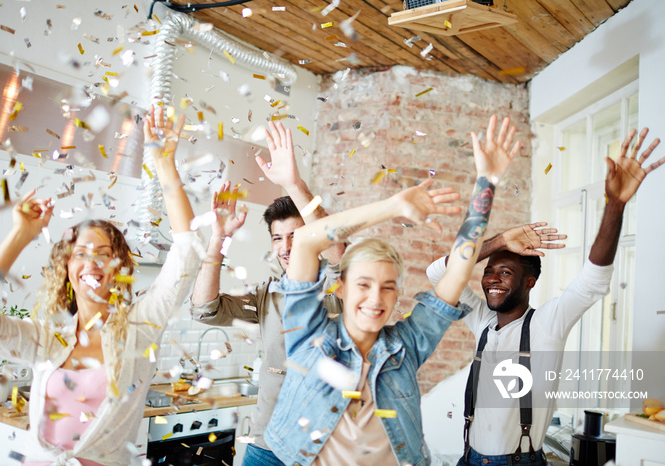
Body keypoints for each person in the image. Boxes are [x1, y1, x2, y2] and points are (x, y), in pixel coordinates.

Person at [264, 115, 520, 466]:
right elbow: (308, 240)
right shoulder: (306, 333)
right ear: (340, 288)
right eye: (364, 285)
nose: (375, 298)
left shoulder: (407, 345)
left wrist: (487, 182)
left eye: (387, 287)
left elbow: (458, 272)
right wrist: (394, 207)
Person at [0, 106, 202, 466]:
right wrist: (20, 235)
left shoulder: (140, 329)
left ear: (119, 267)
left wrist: (165, 165)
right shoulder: (47, 339)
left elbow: (186, 254)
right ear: (67, 267)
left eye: (104, 253)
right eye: (81, 254)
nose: (92, 262)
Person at [425, 128, 663, 465]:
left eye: (505, 272)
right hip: (469, 458)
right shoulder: (481, 320)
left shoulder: (548, 324)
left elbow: (593, 279)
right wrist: (499, 242)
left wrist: (615, 204)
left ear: (530, 282)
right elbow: (438, 273)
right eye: (489, 271)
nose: (492, 279)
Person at [189, 121, 346, 465]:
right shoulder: (268, 294)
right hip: (267, 446)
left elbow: (340, 254)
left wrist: (294, 184)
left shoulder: (340, 286)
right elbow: (204, 309)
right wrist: (218, 239)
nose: (287, 247)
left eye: (296, 236)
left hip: (322, 449)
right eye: (278, 238)